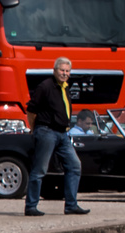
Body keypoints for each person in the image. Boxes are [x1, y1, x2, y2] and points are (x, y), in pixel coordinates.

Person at [24, 57, 88, 216]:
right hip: (46, 131)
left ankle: (71, 205)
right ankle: (31, 206)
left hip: (63, 134)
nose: (65, 73)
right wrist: (34, 128)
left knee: (74, 165)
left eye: (67, 71)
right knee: (40, 170)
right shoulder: (45, 86)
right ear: (55, 70)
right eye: (62, 70)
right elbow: (31, 109)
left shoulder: (65, 87)